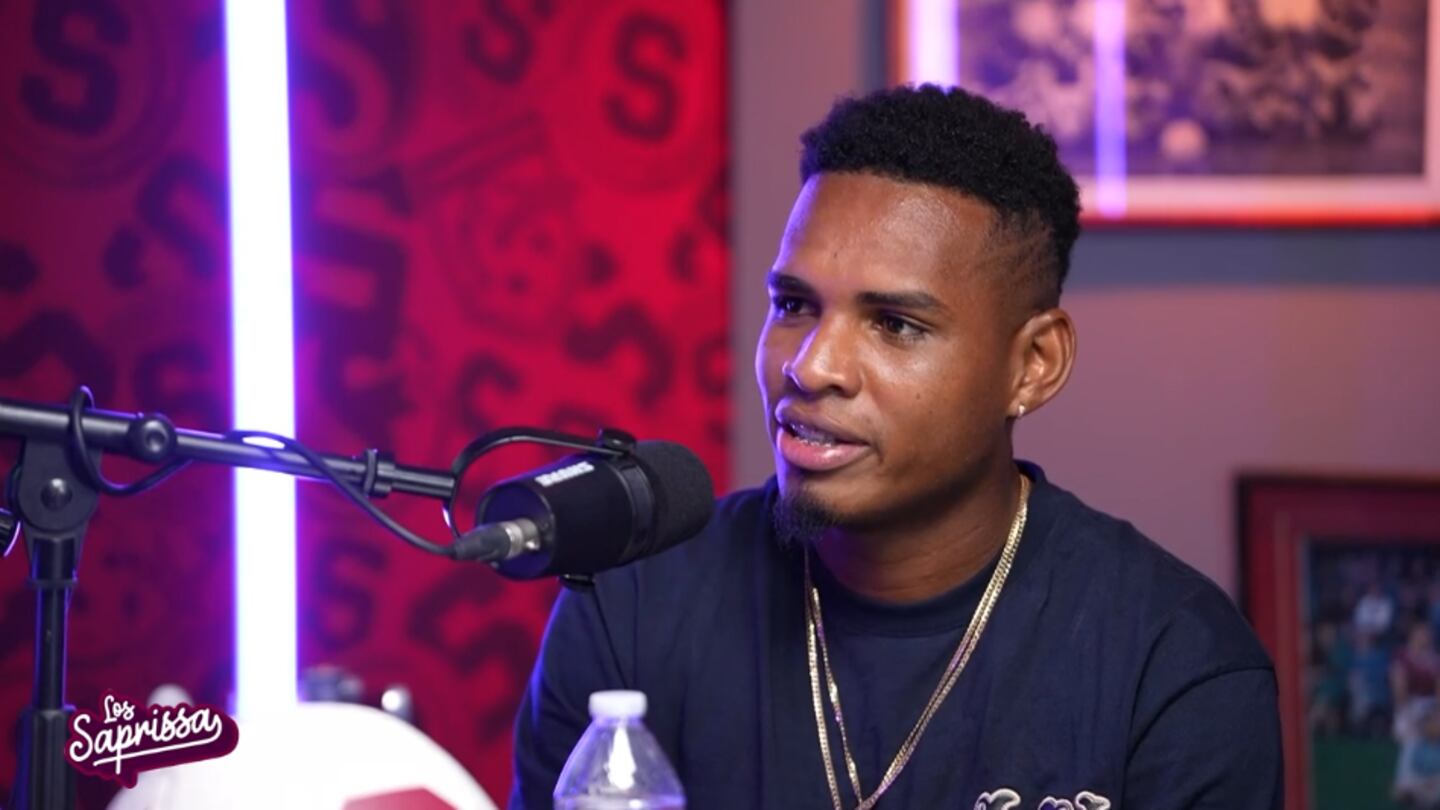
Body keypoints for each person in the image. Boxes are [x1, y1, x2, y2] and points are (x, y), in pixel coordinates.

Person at [510, 84, 1282, 809]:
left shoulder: (1175, 664)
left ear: (1033, 365)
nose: (810, 365)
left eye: (894, 325)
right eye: (793, 304)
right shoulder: (631, 609)